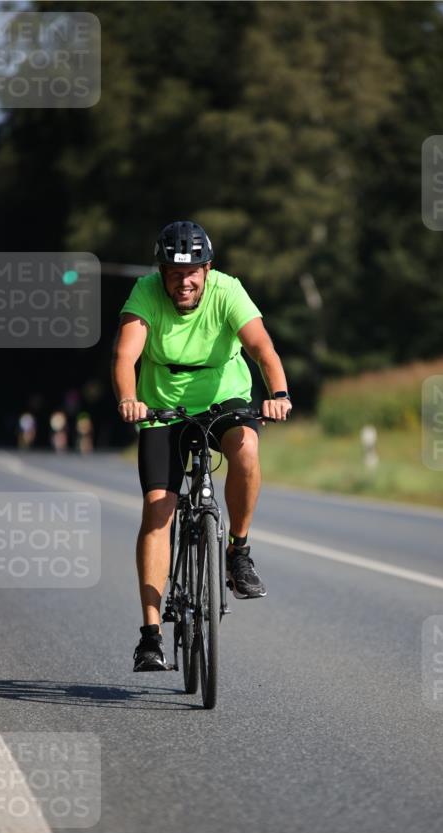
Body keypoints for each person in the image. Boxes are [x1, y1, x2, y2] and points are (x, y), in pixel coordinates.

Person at [112, 221, 292, 671]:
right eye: (174, 273)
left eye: (193, 271)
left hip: (224, 400)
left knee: (246, 449)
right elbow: (125, 356)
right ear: (161, 273)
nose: (184, 280)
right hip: (161, 410)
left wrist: (280, 394)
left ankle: (238, 551)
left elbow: (261, 346)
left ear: (207, 269)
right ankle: (150, 636)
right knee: (158, 509)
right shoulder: (145, 295)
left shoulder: (228, 291)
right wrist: (129, 400)